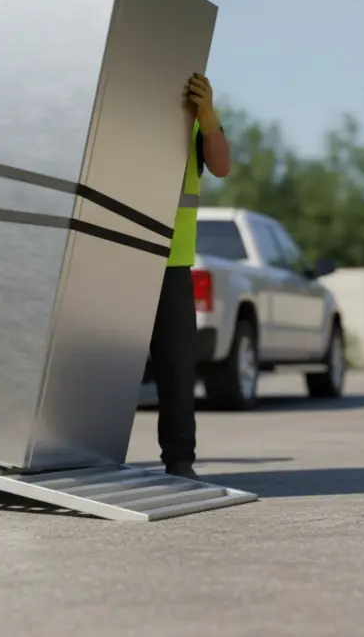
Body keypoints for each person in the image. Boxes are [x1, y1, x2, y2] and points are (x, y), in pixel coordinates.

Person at [153, 72, 231, 480]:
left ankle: (180, 462)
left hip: (173, 262)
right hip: (110, 255)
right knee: (100, 361)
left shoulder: (194, 115)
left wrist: (209, 116)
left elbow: (221, 166)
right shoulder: (120, 107)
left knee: (177, 366)